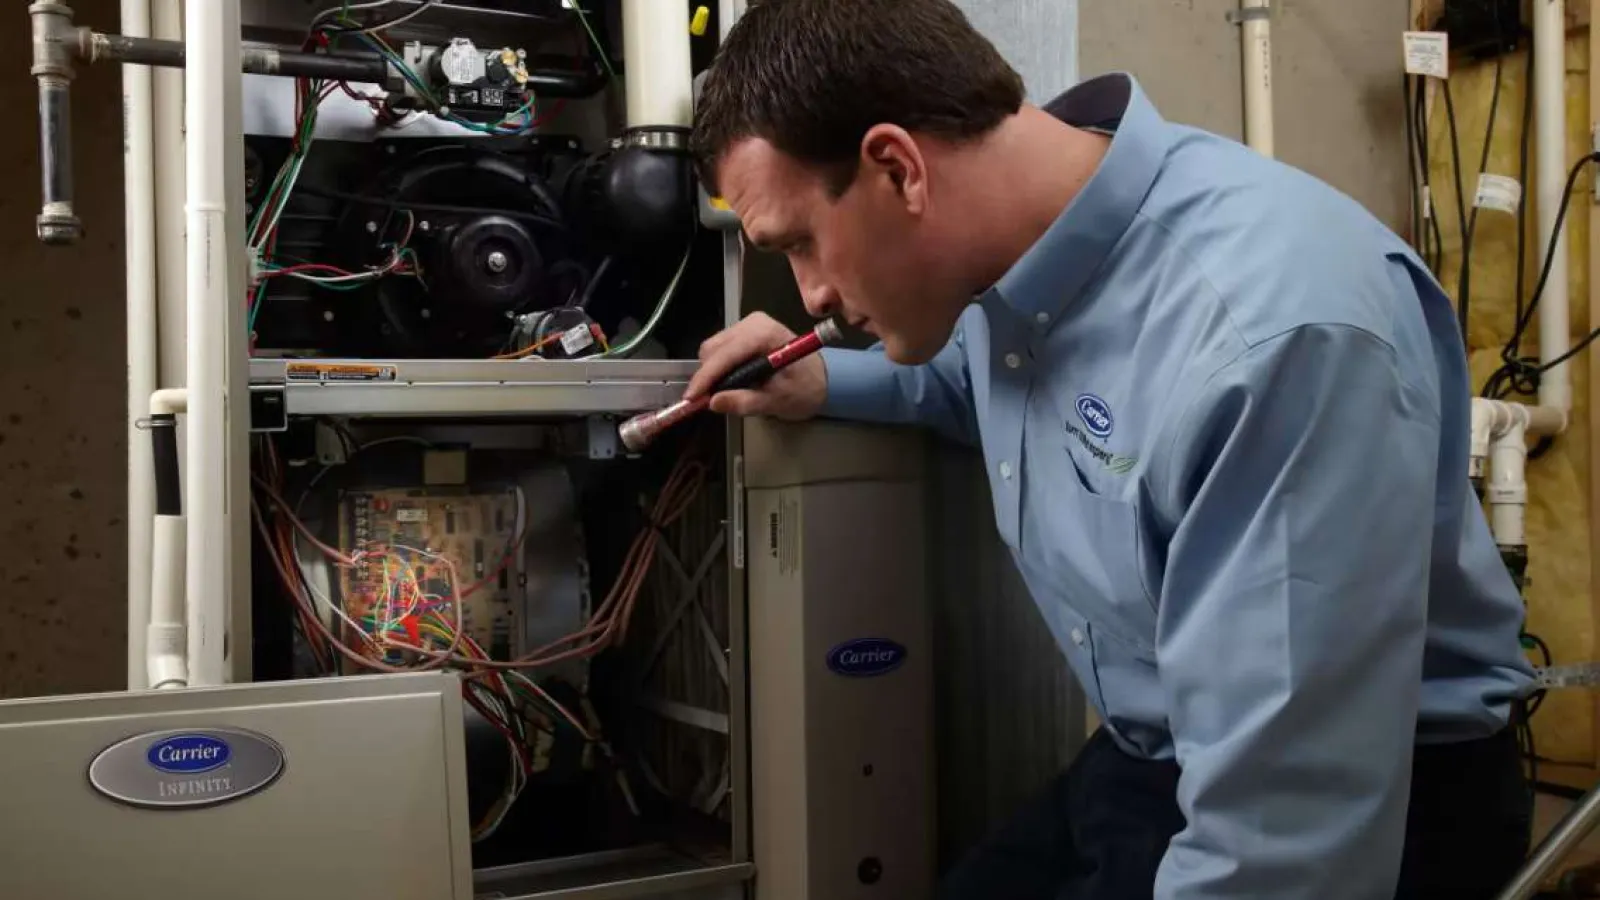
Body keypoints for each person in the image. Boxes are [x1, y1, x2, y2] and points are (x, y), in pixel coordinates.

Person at [686, 1, 1536, 898]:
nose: (811, 296)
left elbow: (1283, 851)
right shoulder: (1021, 246)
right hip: (1156, 755)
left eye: (802, 245)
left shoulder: (1274, 342)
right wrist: (824, 384)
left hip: (1359, 798)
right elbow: (983, 376)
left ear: (898, 167)